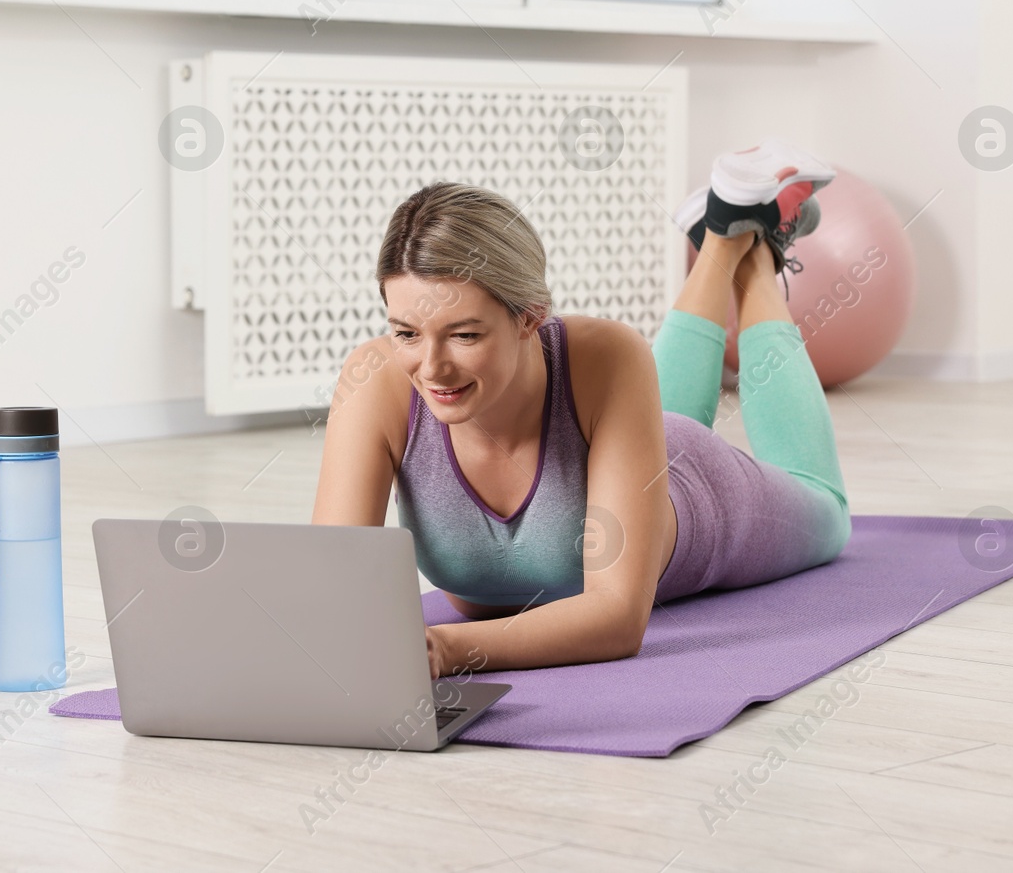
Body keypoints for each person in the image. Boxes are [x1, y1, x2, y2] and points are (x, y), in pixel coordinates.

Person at [311, 140, 853, 679]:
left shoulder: (609, 353)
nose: (431, 367)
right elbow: (331, 582)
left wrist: (448, 651)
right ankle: (726, 229)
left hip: (690, 481)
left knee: (828, 514)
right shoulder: (375, 381)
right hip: (621, 445)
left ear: (531, 317)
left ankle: (753, 255)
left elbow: (617, 618)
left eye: (465, 334)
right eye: (405, 332)